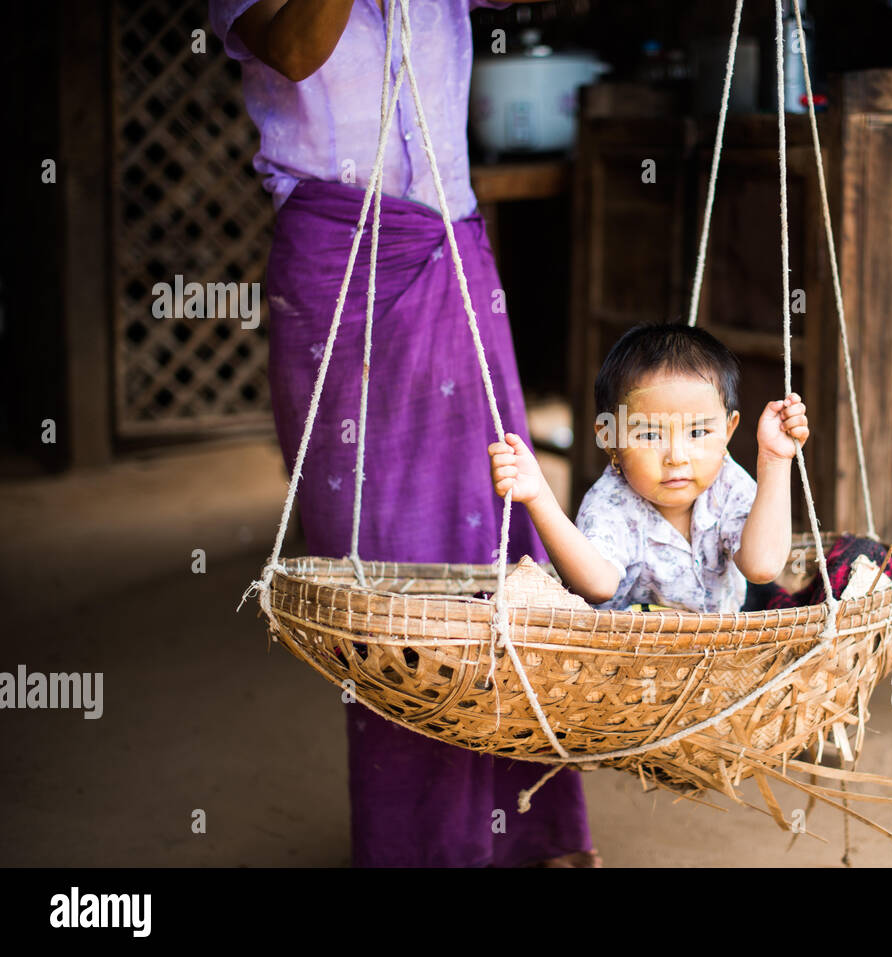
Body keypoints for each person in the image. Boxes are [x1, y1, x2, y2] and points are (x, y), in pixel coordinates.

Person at [210, 0, 598, 867]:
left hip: (452, 248)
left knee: (502, 546)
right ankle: (422, 849)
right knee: (385, 585)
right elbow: (295, 48)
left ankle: (532, 835)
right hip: (339, 261)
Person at [488, 322, 810, 613]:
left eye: (697, 432)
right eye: (650, 434)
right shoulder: (612, 502)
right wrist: (539, 496)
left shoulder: (727, 482)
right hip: (630, 660)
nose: (676, 456)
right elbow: (596, 586)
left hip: (718, 653)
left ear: (728, 431)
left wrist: (775, 461)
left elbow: (762, 567)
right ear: (610, 439)